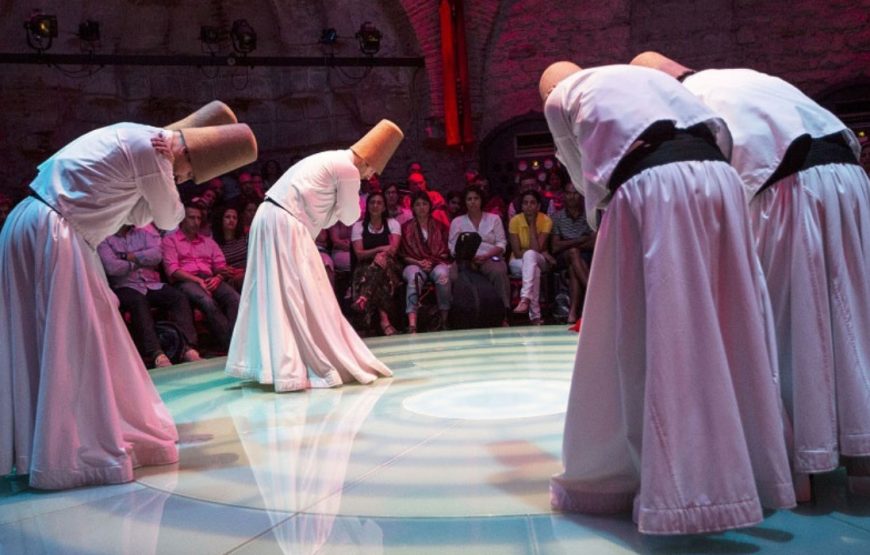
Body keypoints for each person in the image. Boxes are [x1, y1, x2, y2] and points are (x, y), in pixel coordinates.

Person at [540, 61, 795, 534]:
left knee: (654, 331)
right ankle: (754, 471)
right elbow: (718, 130)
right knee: (728, 320)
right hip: (720, 179)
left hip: (652, 187)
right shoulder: (646, 81)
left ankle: (676, 492)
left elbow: (583, 175)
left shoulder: (561, 97)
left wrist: (608, 223)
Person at [632, 52, 870, 495]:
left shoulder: (686, 106)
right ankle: (862, 461)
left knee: (783, 326)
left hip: (790, 187)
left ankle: (799, 470)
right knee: (857, 320)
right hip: (852, 181)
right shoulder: (744, 76)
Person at [0, 101, 256, 490]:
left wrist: (152, 198)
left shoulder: (136, 137)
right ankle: (71, 446)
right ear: (184, 153)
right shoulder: (153, 151)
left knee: (76, 333)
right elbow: (169, 218)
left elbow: (137, 216)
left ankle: (57, 435)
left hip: (41, 225)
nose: (184, 180)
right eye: (186, 174)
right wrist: (166, 183)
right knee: (77, 338)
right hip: (55, 232)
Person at [225, 120, 403, 392]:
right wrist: (340, 205)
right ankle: (296, 365)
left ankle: (274, 363)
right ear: (367, 162)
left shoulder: (330, 159)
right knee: (305, 292)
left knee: (277, 293)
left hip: (271, 217)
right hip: (285, 222)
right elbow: (351, 215)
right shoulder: (347, 169)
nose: (369, 178)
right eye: (372, 171)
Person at [97, 224, 202, 368]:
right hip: (125, 286)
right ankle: (156, 353)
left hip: (152, 283)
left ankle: (187, 347)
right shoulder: (105, 236)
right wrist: (141, 261)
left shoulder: (145, 230)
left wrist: (127, 257)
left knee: (178, 297)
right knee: (138, 301)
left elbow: (157, 255)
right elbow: (112, 267)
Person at [162, 201, 240, 351]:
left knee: (234, 299)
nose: (196, 222)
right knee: (207, 301)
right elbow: (172, 270)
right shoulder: (170, 240)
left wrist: (218, 278)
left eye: (199, 218)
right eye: (192, 218)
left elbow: (222, 267)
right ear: (182, 219)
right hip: (185, 280)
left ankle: (238, 341)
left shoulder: (208, 242)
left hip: (210, 278)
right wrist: (198, 280)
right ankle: (232, 346)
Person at [448, 185, 511, 321]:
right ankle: (458, 316)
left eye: (476, 198)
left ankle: (503, 314)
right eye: (469, 199)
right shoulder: (457, 221)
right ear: (465, 202)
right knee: (452, 275)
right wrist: (468, 257)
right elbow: (452, 247)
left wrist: (486, 256)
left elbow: (501, 243)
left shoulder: (494, 219)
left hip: (489, 256)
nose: (473, 202)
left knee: (498, 272)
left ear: (481, 200)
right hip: (465, 259)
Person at [350, 191, 404, 336]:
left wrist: (381, 256)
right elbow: (359, 254)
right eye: (372, 202)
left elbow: (392, 250)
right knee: (377, 273)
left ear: (384, 207)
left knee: (380, 266)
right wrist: (379, 250)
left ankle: (364, 298)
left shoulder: (393, 224)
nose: (375, 205)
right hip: (365, 266)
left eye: (379, 202)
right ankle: (384, 321)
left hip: (390, 265)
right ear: (367, 206)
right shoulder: (359, 226)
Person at [400, 191, 452, 332]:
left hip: (436, 263)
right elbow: (404, 255)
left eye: (424, 204)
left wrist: (431, 262)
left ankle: (444, 320)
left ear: (430, 206)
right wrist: (419, 263)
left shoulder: (440, 226)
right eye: (417, 204)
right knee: (413, 278)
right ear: (413, 208)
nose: (421, 207)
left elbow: (445, 251)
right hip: (413, 263)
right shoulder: (406, 228)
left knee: (443, 276)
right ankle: (412, 323)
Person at [550, 181, 595, 324]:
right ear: (564, 196)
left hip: (586, 256)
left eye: (575, 193)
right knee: (573, 252)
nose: (571, 197)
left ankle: (572, 312)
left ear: (581, 195)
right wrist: (581, 240)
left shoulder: (589, 215)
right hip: (563, 256)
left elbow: (594, 242)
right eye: (568, 193)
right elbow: (555, 247)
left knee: (573, 267)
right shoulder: (557, 217)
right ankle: (592, 293)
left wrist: (569, 243)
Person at [508, 190, 554, 325]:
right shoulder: (515, 220)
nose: (529, 206)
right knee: (534, 269)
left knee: (530, 256)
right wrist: (535, 252)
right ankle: (535, 316)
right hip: (517, 262)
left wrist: (532, 224)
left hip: (539, 259)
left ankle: (525, 299)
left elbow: (536, 249)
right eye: (525, 203)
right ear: (521, 206)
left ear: (538, 206)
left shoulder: (546, 220)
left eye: (532, 203)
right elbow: (516, 252)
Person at [212, 204, 247, 291]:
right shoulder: (214, 243)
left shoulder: (244, 238)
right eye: (228, 217)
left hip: (248, 271)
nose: (231, 220)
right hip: (231, 278)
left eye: (234, 218)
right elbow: (218, 268)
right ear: (221, 219)